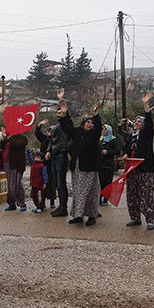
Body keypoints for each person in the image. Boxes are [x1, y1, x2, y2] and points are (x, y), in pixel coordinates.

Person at [58, 97, 103, 226]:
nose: (90, 124)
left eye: (91, 122)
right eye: (87, 122)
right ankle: (78, 215)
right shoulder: (77, 132)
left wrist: (96, 114)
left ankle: (92, 215)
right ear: (83, 123)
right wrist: (65, 113)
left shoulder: (94, 134)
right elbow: (66, 127)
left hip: (89, 167)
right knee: (78, 191)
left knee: (90, 192)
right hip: (77, 167)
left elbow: (98, 127)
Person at [123, 92, 154, 230]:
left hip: (145, 169)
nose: (137, 123)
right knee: (132, 194)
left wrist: (145, 105)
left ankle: (149, 219)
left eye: (139, 121)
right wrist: (125, 155)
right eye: (135, 121)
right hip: (132, 169)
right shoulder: (132, 136)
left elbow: (149, 122)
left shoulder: (146, 134)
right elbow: (126, 149)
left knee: (146, 194)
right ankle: (135, 218)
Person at [46, 88, 71, 218]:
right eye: (58, 112)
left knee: (61, 183)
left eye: (61, 112)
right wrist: (49, 151)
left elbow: (67, 118)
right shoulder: (55, 127)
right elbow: (51, 140)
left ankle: (63, 206)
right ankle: (60, 205)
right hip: (55, 156)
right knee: (56, 182)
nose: (59, 114)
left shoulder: (66, 126)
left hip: (61, 156)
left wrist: (61, 100)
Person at [1, 131, 28, 212]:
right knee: (9, 184)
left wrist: (10, 138)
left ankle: (22, 203)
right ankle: (11, 204)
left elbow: (18, 145)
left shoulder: (22, 139)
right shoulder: (9, 138)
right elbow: (2, 147)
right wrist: (4, 138)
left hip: (16, 164)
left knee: (15, 185)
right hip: (7, 163)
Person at [35, 120, 57, 209]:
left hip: (52, 164)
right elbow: (37, 133)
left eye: (52, 131)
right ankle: (42, 202)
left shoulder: (56, 140)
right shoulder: (44, 139)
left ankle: (52, 201)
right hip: (43, 164)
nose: (50, 133)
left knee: (52, 183)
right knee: (42, 183)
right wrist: (39, 125)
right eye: (49, 131)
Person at [99, 124, 120, 205]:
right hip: (100, 164)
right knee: (100, 182)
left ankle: (105, 199)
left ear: (109, 131)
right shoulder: (100, 139)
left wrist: (107, 152)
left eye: (105, 129)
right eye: (102, 129)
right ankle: (99, 198)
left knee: (107, 183)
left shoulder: (113, 140)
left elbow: (117, 151)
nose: (103, 131)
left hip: (108, 165)